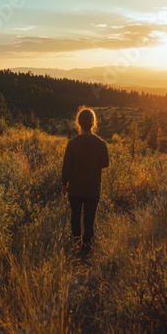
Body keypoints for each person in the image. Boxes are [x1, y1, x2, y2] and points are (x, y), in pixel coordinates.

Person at [62, 106, 109, 258]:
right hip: (92, 189)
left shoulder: (72, 144)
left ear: (79, 123)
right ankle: (86, 250)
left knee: (75, 218)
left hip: (75, 189)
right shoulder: (101, 144)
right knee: (89, 220)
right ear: (93, 123)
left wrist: (64, 185)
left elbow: (66, 168)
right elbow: (105, 164)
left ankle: (76, 246)